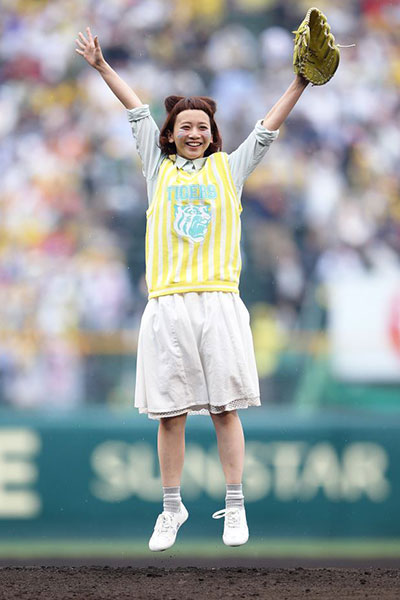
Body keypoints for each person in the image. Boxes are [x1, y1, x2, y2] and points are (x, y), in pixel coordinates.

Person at [75, 26, 309, 552]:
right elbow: (135, 111)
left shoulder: (229, 170)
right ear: (171, 134)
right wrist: (102, 66)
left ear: (213, 133)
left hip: (220, 299)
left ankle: (235, 503)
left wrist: (299, 83)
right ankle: (171, 507)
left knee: (226, 409)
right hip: (168, 302)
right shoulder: (157, 170)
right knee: (170, 414)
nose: (195, 133)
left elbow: (267, 129)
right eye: (186, 126)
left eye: (202, 126)